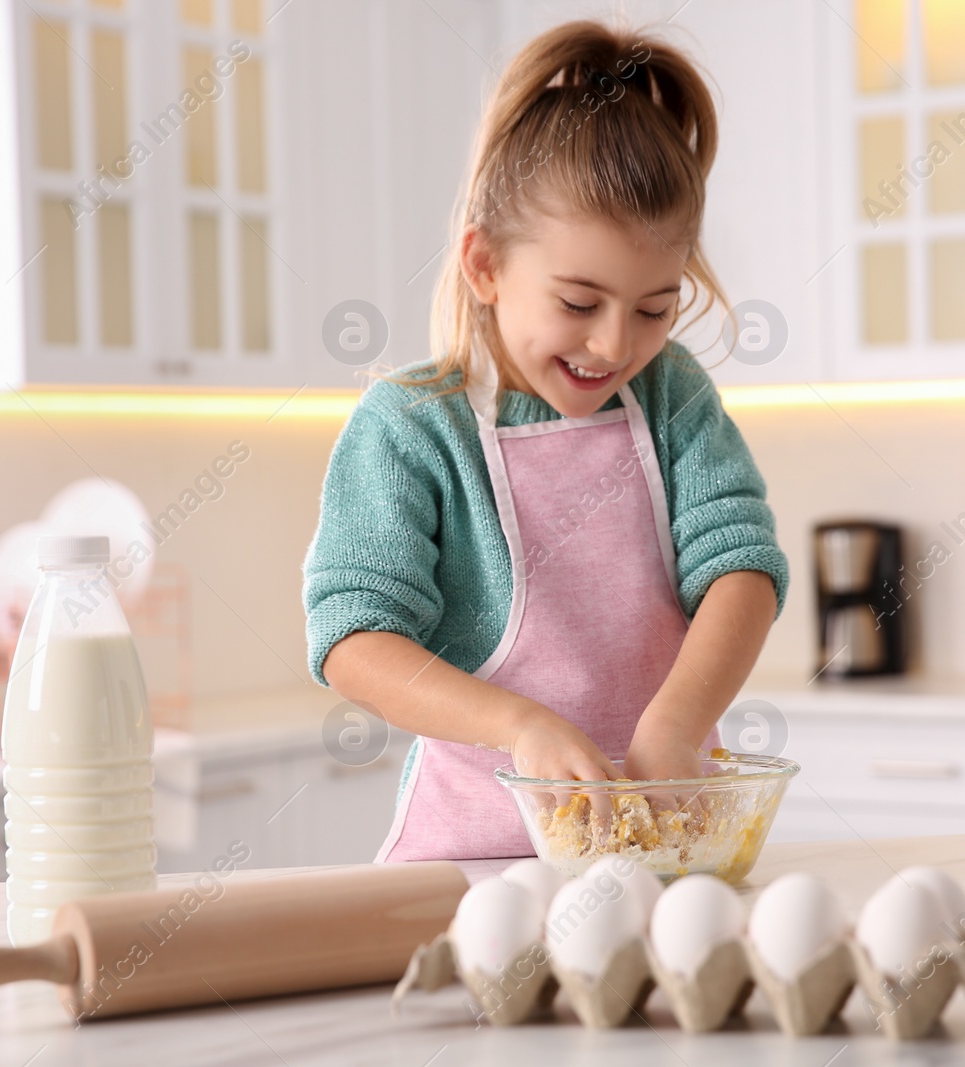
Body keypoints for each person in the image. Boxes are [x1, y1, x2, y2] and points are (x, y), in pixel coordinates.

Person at [303, 20, 788, 862]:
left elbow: (742, 569)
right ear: (485, 266)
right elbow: (354, 640)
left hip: (659, 851)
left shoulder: (671, 395)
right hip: (470, 867)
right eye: (577, 303)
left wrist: (677, 724)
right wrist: (520, 726)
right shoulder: (413, 425)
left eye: (653, 308)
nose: (612, 346)